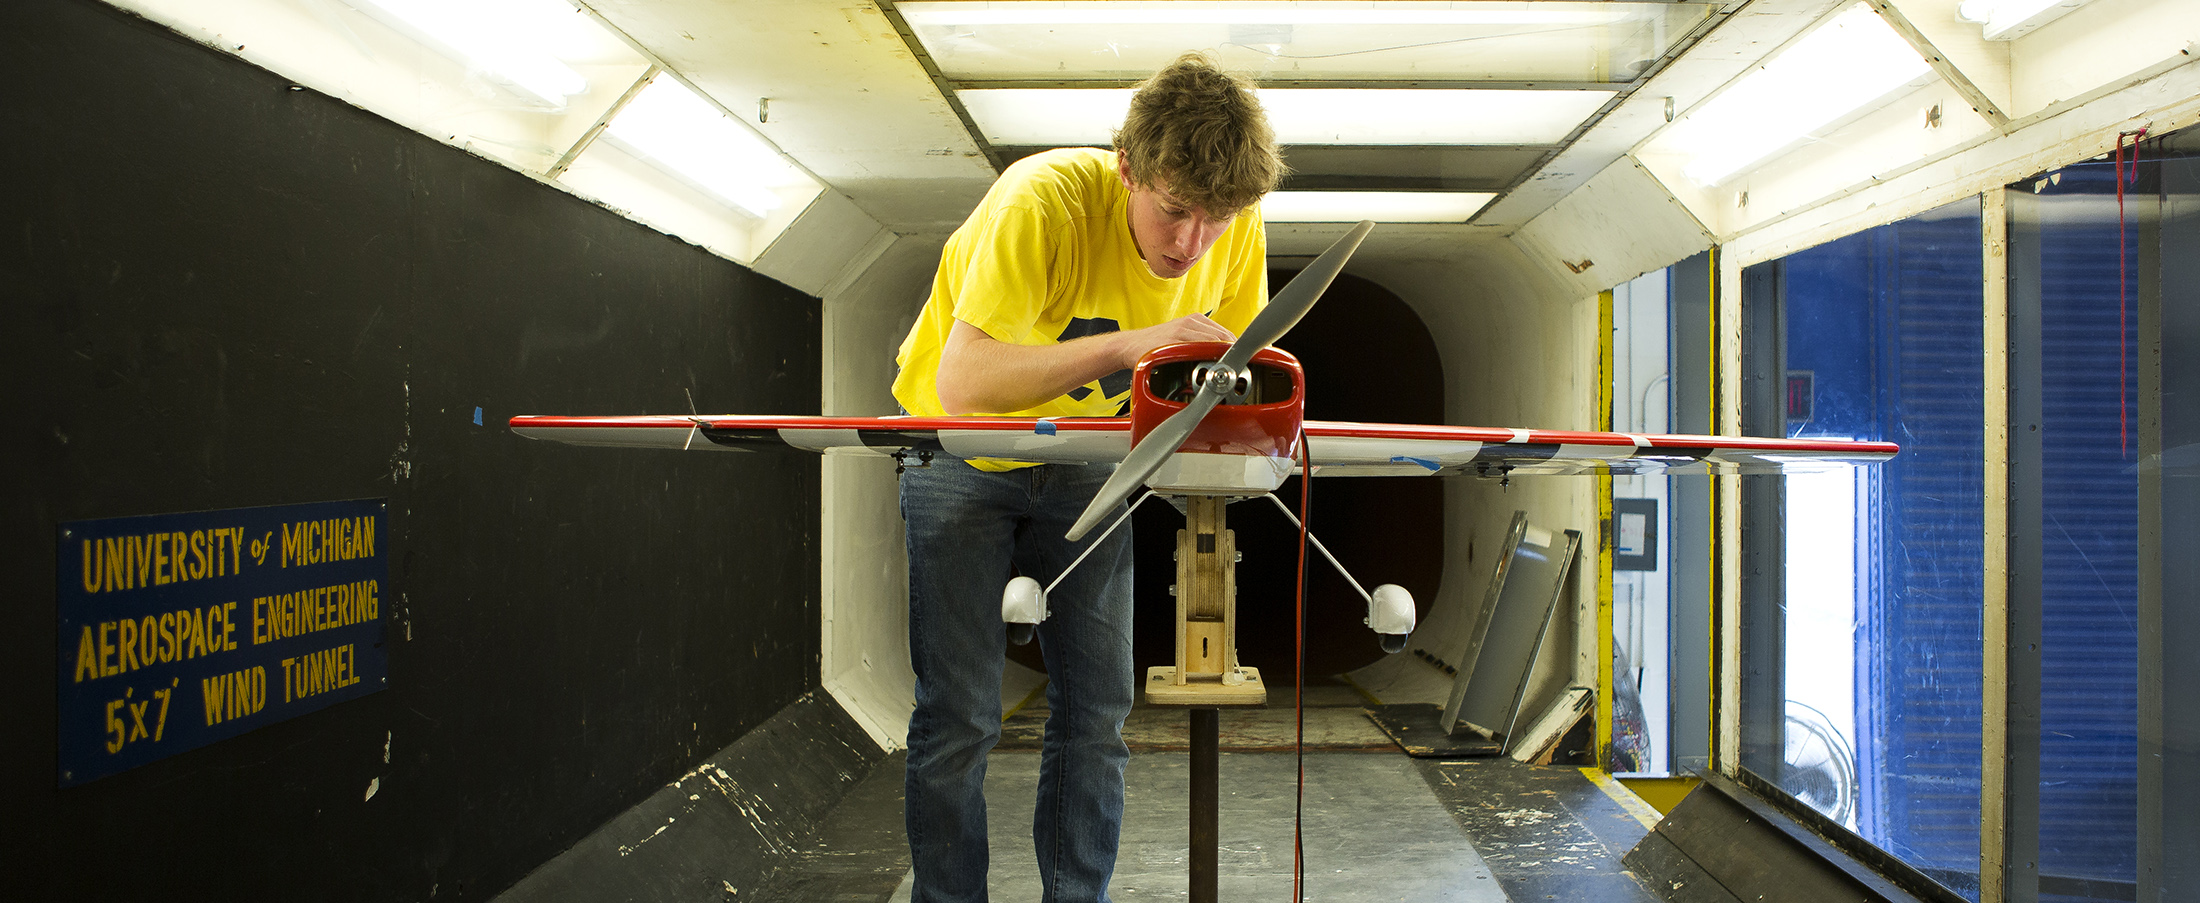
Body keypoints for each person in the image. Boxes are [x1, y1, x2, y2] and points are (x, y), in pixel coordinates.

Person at [889, 52, 1285, 903]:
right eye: (1176, 212)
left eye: (1215, 221)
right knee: (960, 716)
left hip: (1090, 468)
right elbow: (966, 382)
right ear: (1128, 168)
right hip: (960, 457)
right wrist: (1133, 345)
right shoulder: (1043, 203)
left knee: (1098, 715)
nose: (1192, 244)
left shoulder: (1233, 222)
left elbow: (1225, 369)